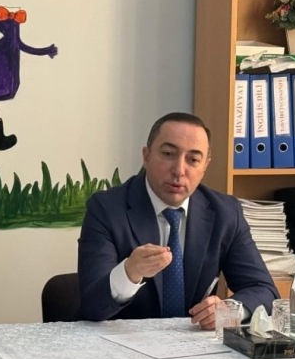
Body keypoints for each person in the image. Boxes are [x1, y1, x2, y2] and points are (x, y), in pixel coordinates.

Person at [78, 112, 278, 328]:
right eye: (168, 154)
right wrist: (129, 272)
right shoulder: (106, 209)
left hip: (193, 343)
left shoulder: (226, 212)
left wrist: (230, 310)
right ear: (146, 156)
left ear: (205, 166)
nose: (179, 171)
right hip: (122, 342)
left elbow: (264, 290)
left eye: (193, 160)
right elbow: (92, 305)